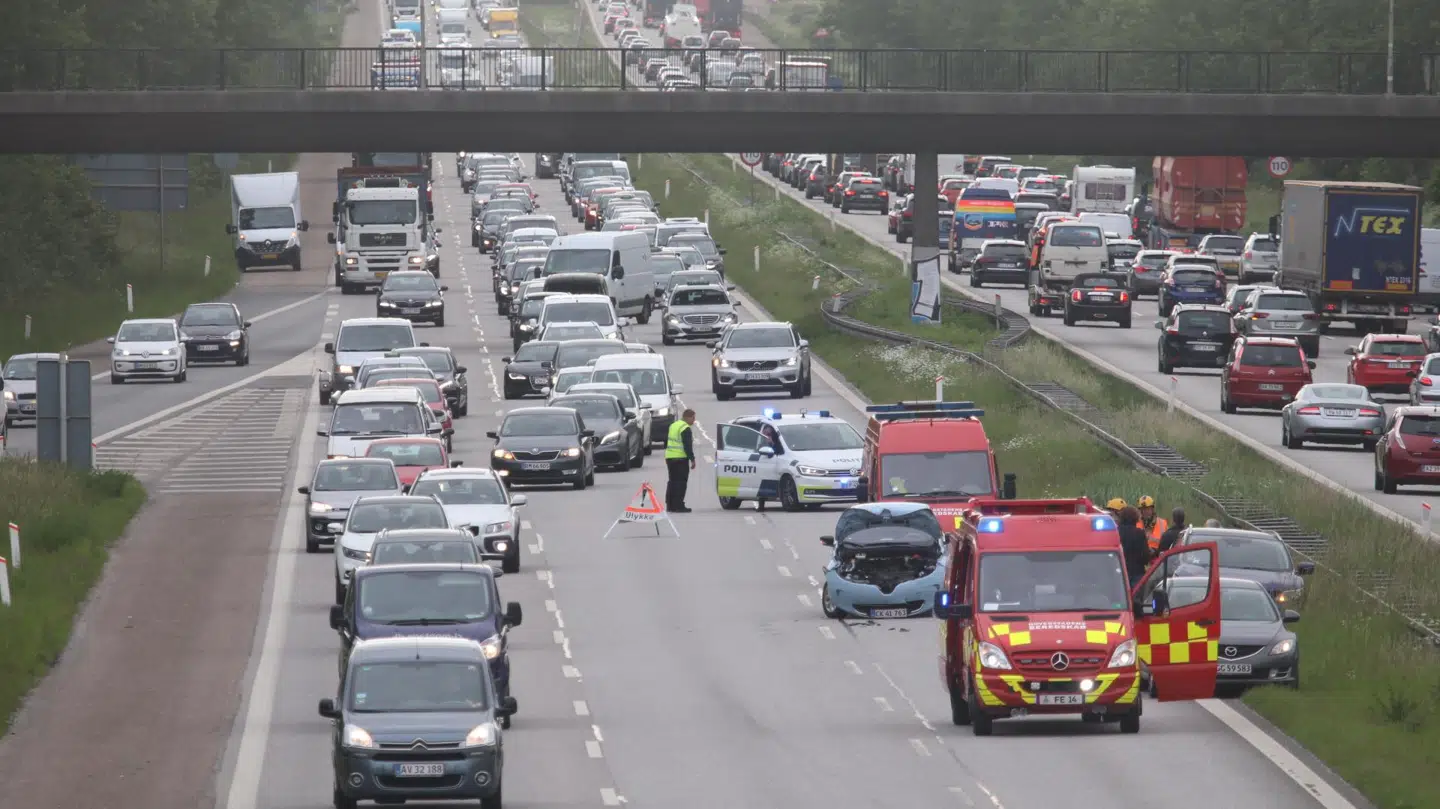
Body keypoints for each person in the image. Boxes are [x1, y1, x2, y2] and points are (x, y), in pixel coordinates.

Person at [664, 408, 697, 513]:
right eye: (693, 418)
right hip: (680, 458)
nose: (694, 421)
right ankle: (679, 505)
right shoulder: (685, 428)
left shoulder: (673, 425)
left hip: (670, 457)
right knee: (681, 483)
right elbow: (687, 446)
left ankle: (670, 505)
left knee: (672, 481)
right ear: (688, 417)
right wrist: (692, 459)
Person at [1116, 506, 1150, 590]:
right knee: (1138, 596)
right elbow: (1145, 557)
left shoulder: (1116, 532)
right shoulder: (1140, 533)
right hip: (1137, 572)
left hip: (1120, 571)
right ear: (1136, 518)